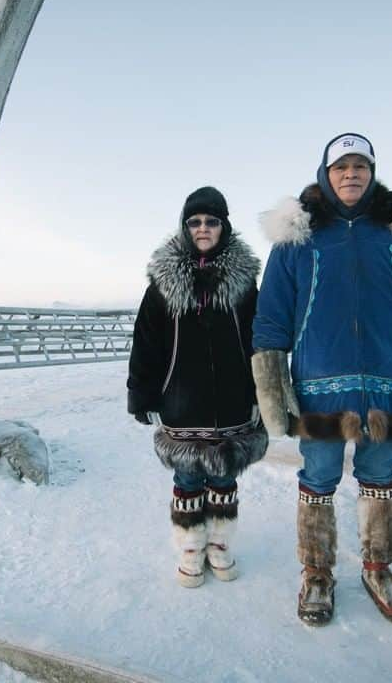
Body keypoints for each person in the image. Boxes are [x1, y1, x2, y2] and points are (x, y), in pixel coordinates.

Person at [251, 133, 392, 625]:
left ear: (372, 172)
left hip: (389, 385)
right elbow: (272, 317)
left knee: (381, 479)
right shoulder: (298, 237)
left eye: (360, 165)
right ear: (326, 172)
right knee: (318, 478)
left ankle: (377, 567)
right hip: (321, 388)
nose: (351, 174)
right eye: (341, 166)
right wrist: (274, 390)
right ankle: (317, 572)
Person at [127, 186, 267, 588]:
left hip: (233, 400)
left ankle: (220, 547)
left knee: (224, 478)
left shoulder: (244, 282)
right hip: (182, 402)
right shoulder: (162, 283)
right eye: (195, 221)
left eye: (211, 221)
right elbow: (146, 340)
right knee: (188, 479)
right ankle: (190, 550)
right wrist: (143, 393)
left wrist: (263, 394)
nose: (203, 228)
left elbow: (258, 339)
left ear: (224, 226)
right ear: (185, 227)